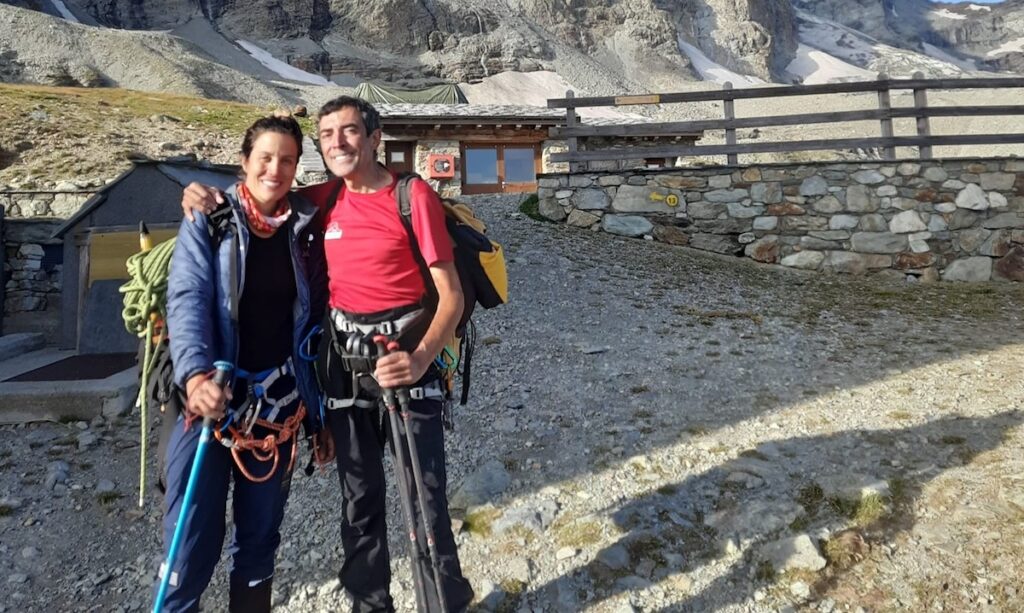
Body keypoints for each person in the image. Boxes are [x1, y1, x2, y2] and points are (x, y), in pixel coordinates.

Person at [182, 97, 474, 612]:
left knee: (424, 502)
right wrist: (203, 193)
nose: (337, 142)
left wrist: (424, 357)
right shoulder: (321, 199)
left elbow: (450, 294)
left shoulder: (412, 196)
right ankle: (369, 605)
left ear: (375, 138)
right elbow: (260, 197)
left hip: (409, 365)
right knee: (360, 503)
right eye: (327, 134)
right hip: (345, 371)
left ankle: (444, 603)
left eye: (350, 131)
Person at [161, 113, 328, 612]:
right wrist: (193, 376)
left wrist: (318, 417)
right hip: (208, 401)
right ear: (244, 162)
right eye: (266, 158)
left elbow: (313, 324)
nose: (275, 169)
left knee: (259, 543)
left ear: (297, 168)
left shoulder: (305, 230)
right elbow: (188, 296)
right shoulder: (209, 219)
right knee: (189, 541)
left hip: (276, 409)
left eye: (287, 160)